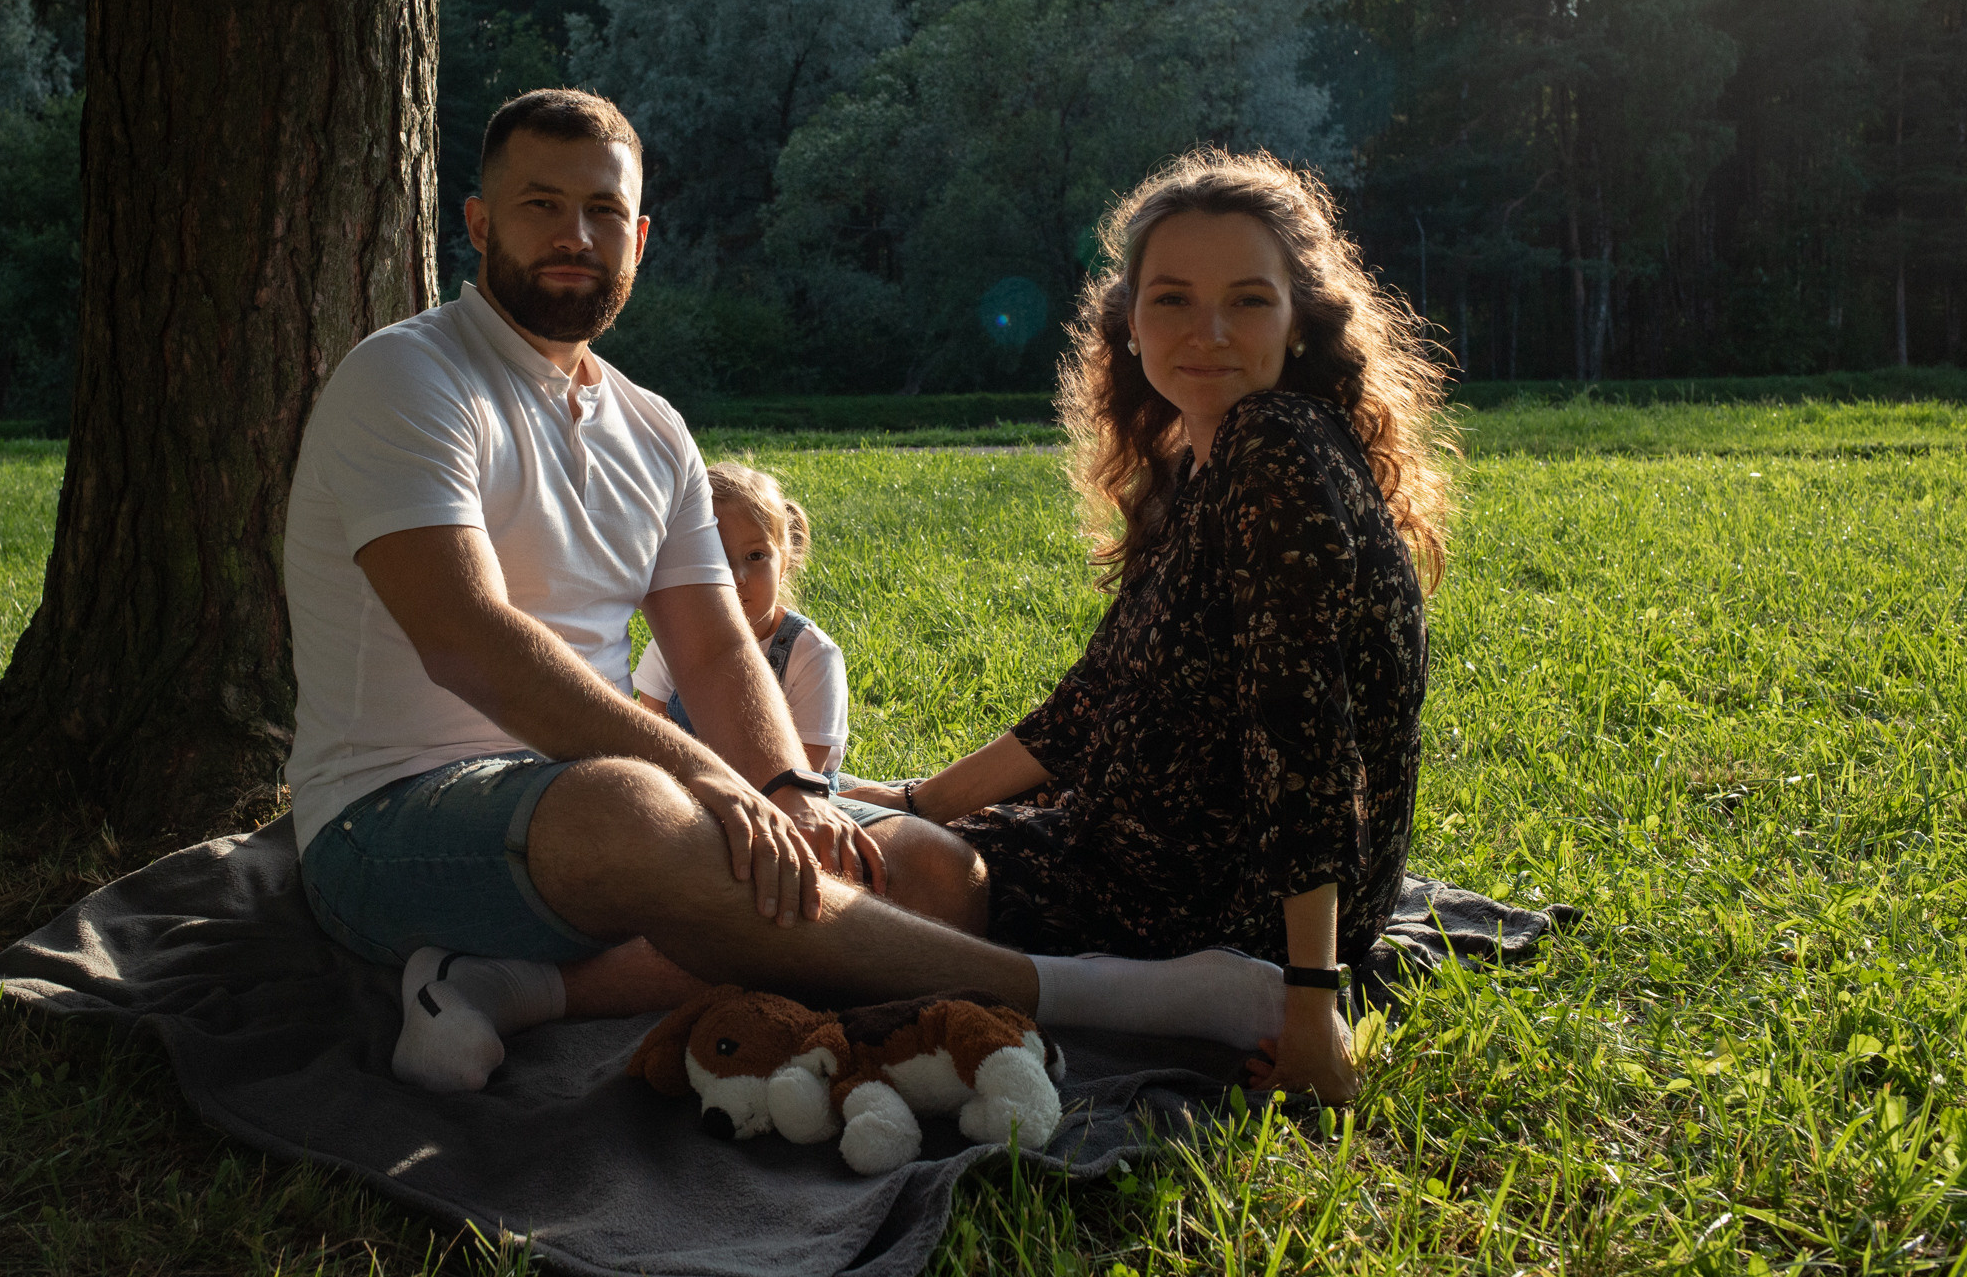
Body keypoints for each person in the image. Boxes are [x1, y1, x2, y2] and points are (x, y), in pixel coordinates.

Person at [283, 90, 1311, 1097]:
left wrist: (788, 790)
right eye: (541, 205)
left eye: (602, 210)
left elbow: (717, 649)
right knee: (639, 804)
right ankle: (1105, 995)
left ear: (639, 238)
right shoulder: (410, 378)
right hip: (391, 823)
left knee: (926, 872)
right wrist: (708, 780)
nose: (575, 236)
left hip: (601, 813)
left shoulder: (652, 429)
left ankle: (506, 988)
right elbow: (465, 637)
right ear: (477, 223)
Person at [843, 147, 1451, 1103]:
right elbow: (1089, 706)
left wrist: (1309, 1001)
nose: (1208, 332)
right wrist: (918, 799)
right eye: (1172, 299)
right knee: (864, 838)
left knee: (866, 880)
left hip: (1229, 899)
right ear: (1129, 323)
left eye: (1248, 300)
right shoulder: (1204, 464)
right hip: (1153, 842)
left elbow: (1304, 736)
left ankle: (1178, 994)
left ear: (1300, 320)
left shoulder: (1275, 449)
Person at [633, 463, 853, 777]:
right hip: (693, 787)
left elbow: (806, 775)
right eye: (715, 558)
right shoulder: (674, 642)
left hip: (788, 796)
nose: (737, 577)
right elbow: (655, 733)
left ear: (784, 562)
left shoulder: (813, 656)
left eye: (755, 556)